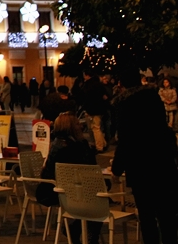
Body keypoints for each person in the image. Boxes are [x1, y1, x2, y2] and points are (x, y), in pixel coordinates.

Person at [113, 69, 178, 244]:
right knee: (167, 214)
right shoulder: (153, 97)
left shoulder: (124, 104)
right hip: (162, 162)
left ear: (122, 84)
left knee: (147, 215)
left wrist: (117, 168)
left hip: (140, 166)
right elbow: (164, 129)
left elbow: (125, 139)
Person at [36, 112, 101, 244]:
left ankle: (76, 229)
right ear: (70, 127)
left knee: (96, 196)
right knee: (98, 200)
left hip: (57, 188)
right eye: (77, 124)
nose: (81, 126)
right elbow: (87, 167)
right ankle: (86, 235)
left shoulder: (58, 143)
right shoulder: (73, 147)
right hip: (60, 191)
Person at [79, 69, 109, 152]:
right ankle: (103, 144)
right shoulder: (99, 84)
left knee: (95, 128)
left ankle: (99, 147)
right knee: (96, 127)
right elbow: (105, 96)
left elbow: (85, 98)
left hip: (92, 109)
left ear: (87, 75)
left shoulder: (88, 85)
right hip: (100, 109)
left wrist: (86, 109)